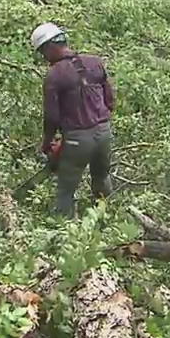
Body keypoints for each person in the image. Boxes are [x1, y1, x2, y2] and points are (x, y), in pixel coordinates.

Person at [31, 22, 116, 218]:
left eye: (43, 53)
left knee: (66, 188)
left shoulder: (54, 75)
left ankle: (65, 230)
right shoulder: (95, 62)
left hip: (78, 138)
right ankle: (104, 219)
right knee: (102, 178)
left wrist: (47, 143)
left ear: (50, 47)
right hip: (104, 132)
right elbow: (110, 101)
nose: (44, 58)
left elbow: (52, 117)